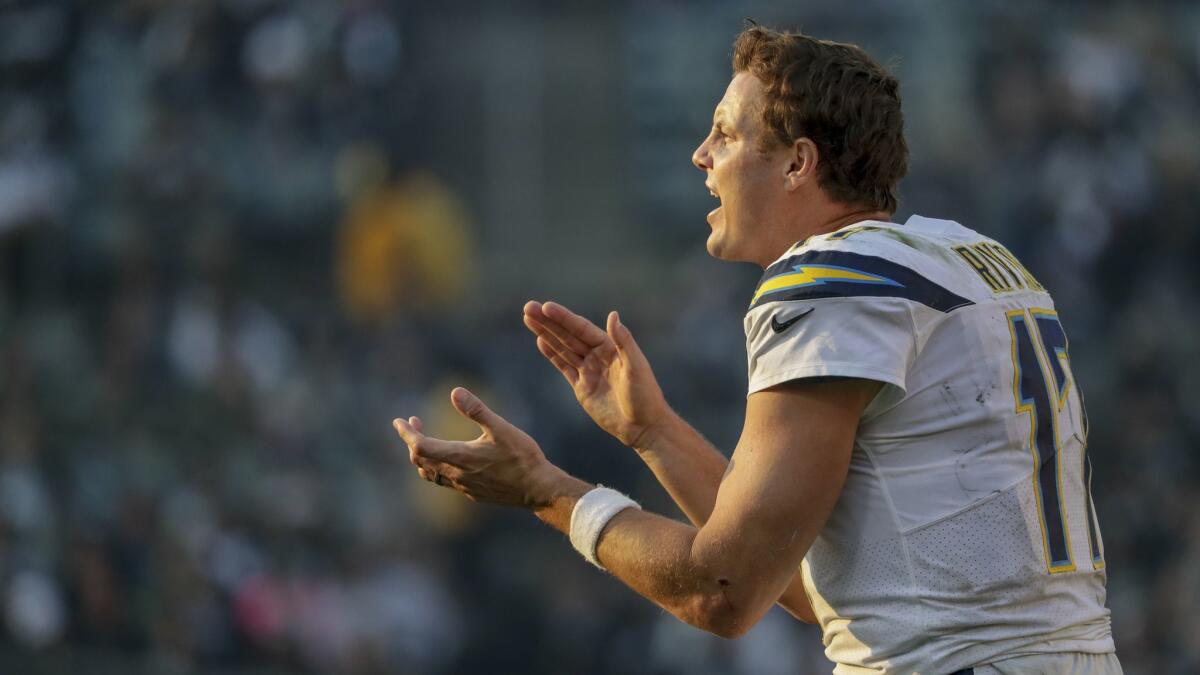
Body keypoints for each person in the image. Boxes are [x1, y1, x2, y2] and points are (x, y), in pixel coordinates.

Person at [391, 25, 1121, 674]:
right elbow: (798, 582)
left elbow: (724, 591)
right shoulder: (979, 259)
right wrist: (654, 432)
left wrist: (545, 491)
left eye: (727, 134)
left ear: (799, 163)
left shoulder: (826, 279)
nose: (701, 155)